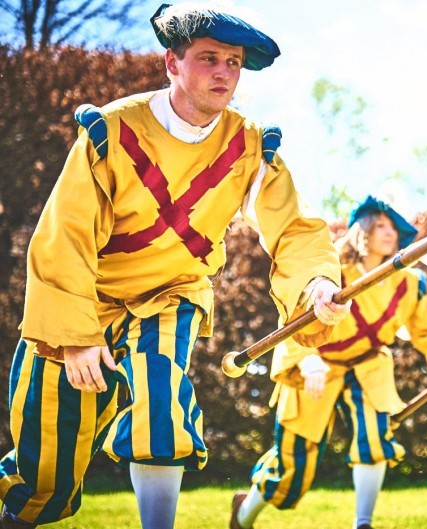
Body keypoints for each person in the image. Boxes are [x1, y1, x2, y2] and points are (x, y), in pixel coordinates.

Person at [0, 3, 350, 528]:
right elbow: (64, 234)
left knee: (161, 411)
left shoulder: (252, 147)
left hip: (169, 297)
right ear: (172, 63)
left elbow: (295, 230)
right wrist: (75, 334)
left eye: (233, 63)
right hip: (82, 301)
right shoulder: (110, 131)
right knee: (44, 475)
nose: (224, 73)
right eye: (209, 58)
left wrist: (317, 282)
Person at [229, 195, 427, 529]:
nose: (389, 231)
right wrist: (307, 359)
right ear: (363, 229)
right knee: (291, 465)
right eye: (380, 224)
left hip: (368, 366)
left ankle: (362, 523)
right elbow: (295, 315)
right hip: (318, 364)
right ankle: (244, 514)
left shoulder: (407, 284)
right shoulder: (327, 271)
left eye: (394, 226)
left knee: (374, 439)